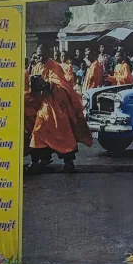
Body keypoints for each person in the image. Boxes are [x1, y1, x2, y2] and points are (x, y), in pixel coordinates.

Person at [24, 44, 93, 173]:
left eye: (42, 54)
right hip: (40, 104)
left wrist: (47, 84)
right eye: (38, 55)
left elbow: (62, 86)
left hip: (54, 104)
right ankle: (39, 160)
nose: (39, 57)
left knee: (57, 131)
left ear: (48, 53)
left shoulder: (55, 66)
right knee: (35, 129)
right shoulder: (37, 66)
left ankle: (69, 162)